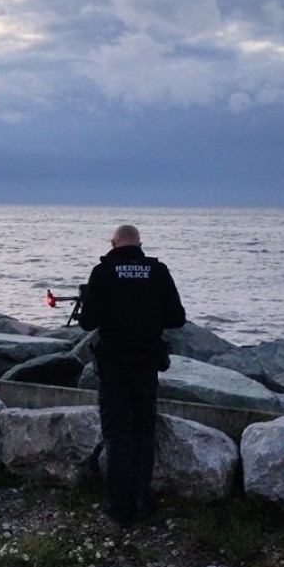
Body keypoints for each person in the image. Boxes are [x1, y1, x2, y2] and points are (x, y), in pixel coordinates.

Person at [78, 224, 186, 528]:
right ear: (139, 244)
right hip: (146, 364)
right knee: (143, 431)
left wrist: (90, 302)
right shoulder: (158, 271)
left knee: (117, 434)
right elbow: (177, 318)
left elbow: (87, 323)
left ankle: (121, 508)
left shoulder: (103, 272)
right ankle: (143, 500)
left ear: (113, 243)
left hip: (113, 366)